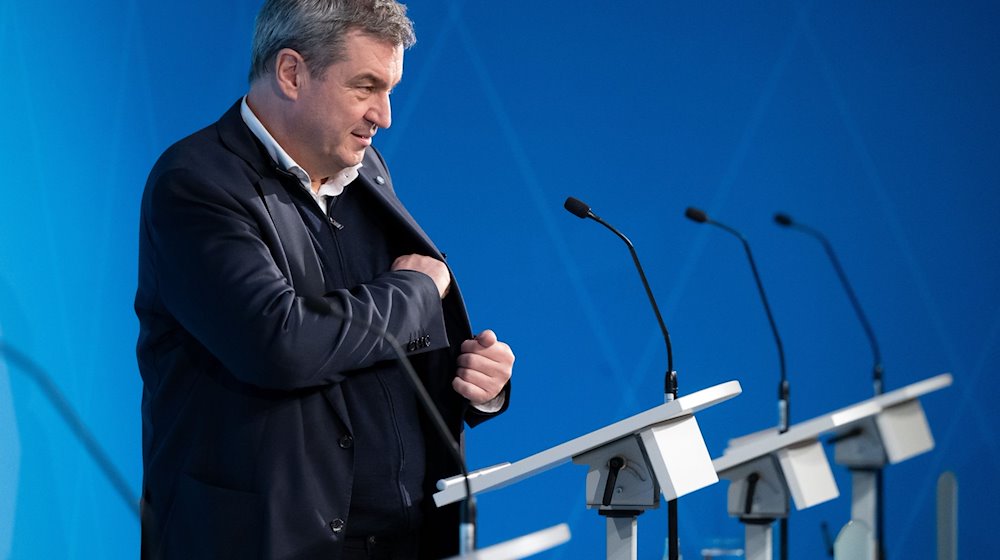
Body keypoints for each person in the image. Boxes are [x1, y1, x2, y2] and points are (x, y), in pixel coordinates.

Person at [134, 1, 514, 558]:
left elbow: (375, 344)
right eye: (364, 87)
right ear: (291, 73)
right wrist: (412, 293)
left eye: (390, 89)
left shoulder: (367, 171)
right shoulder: (196, 183)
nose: (383, 115)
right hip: (265, 542)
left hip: (405, 539)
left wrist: (478, 385)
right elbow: (280, 343)